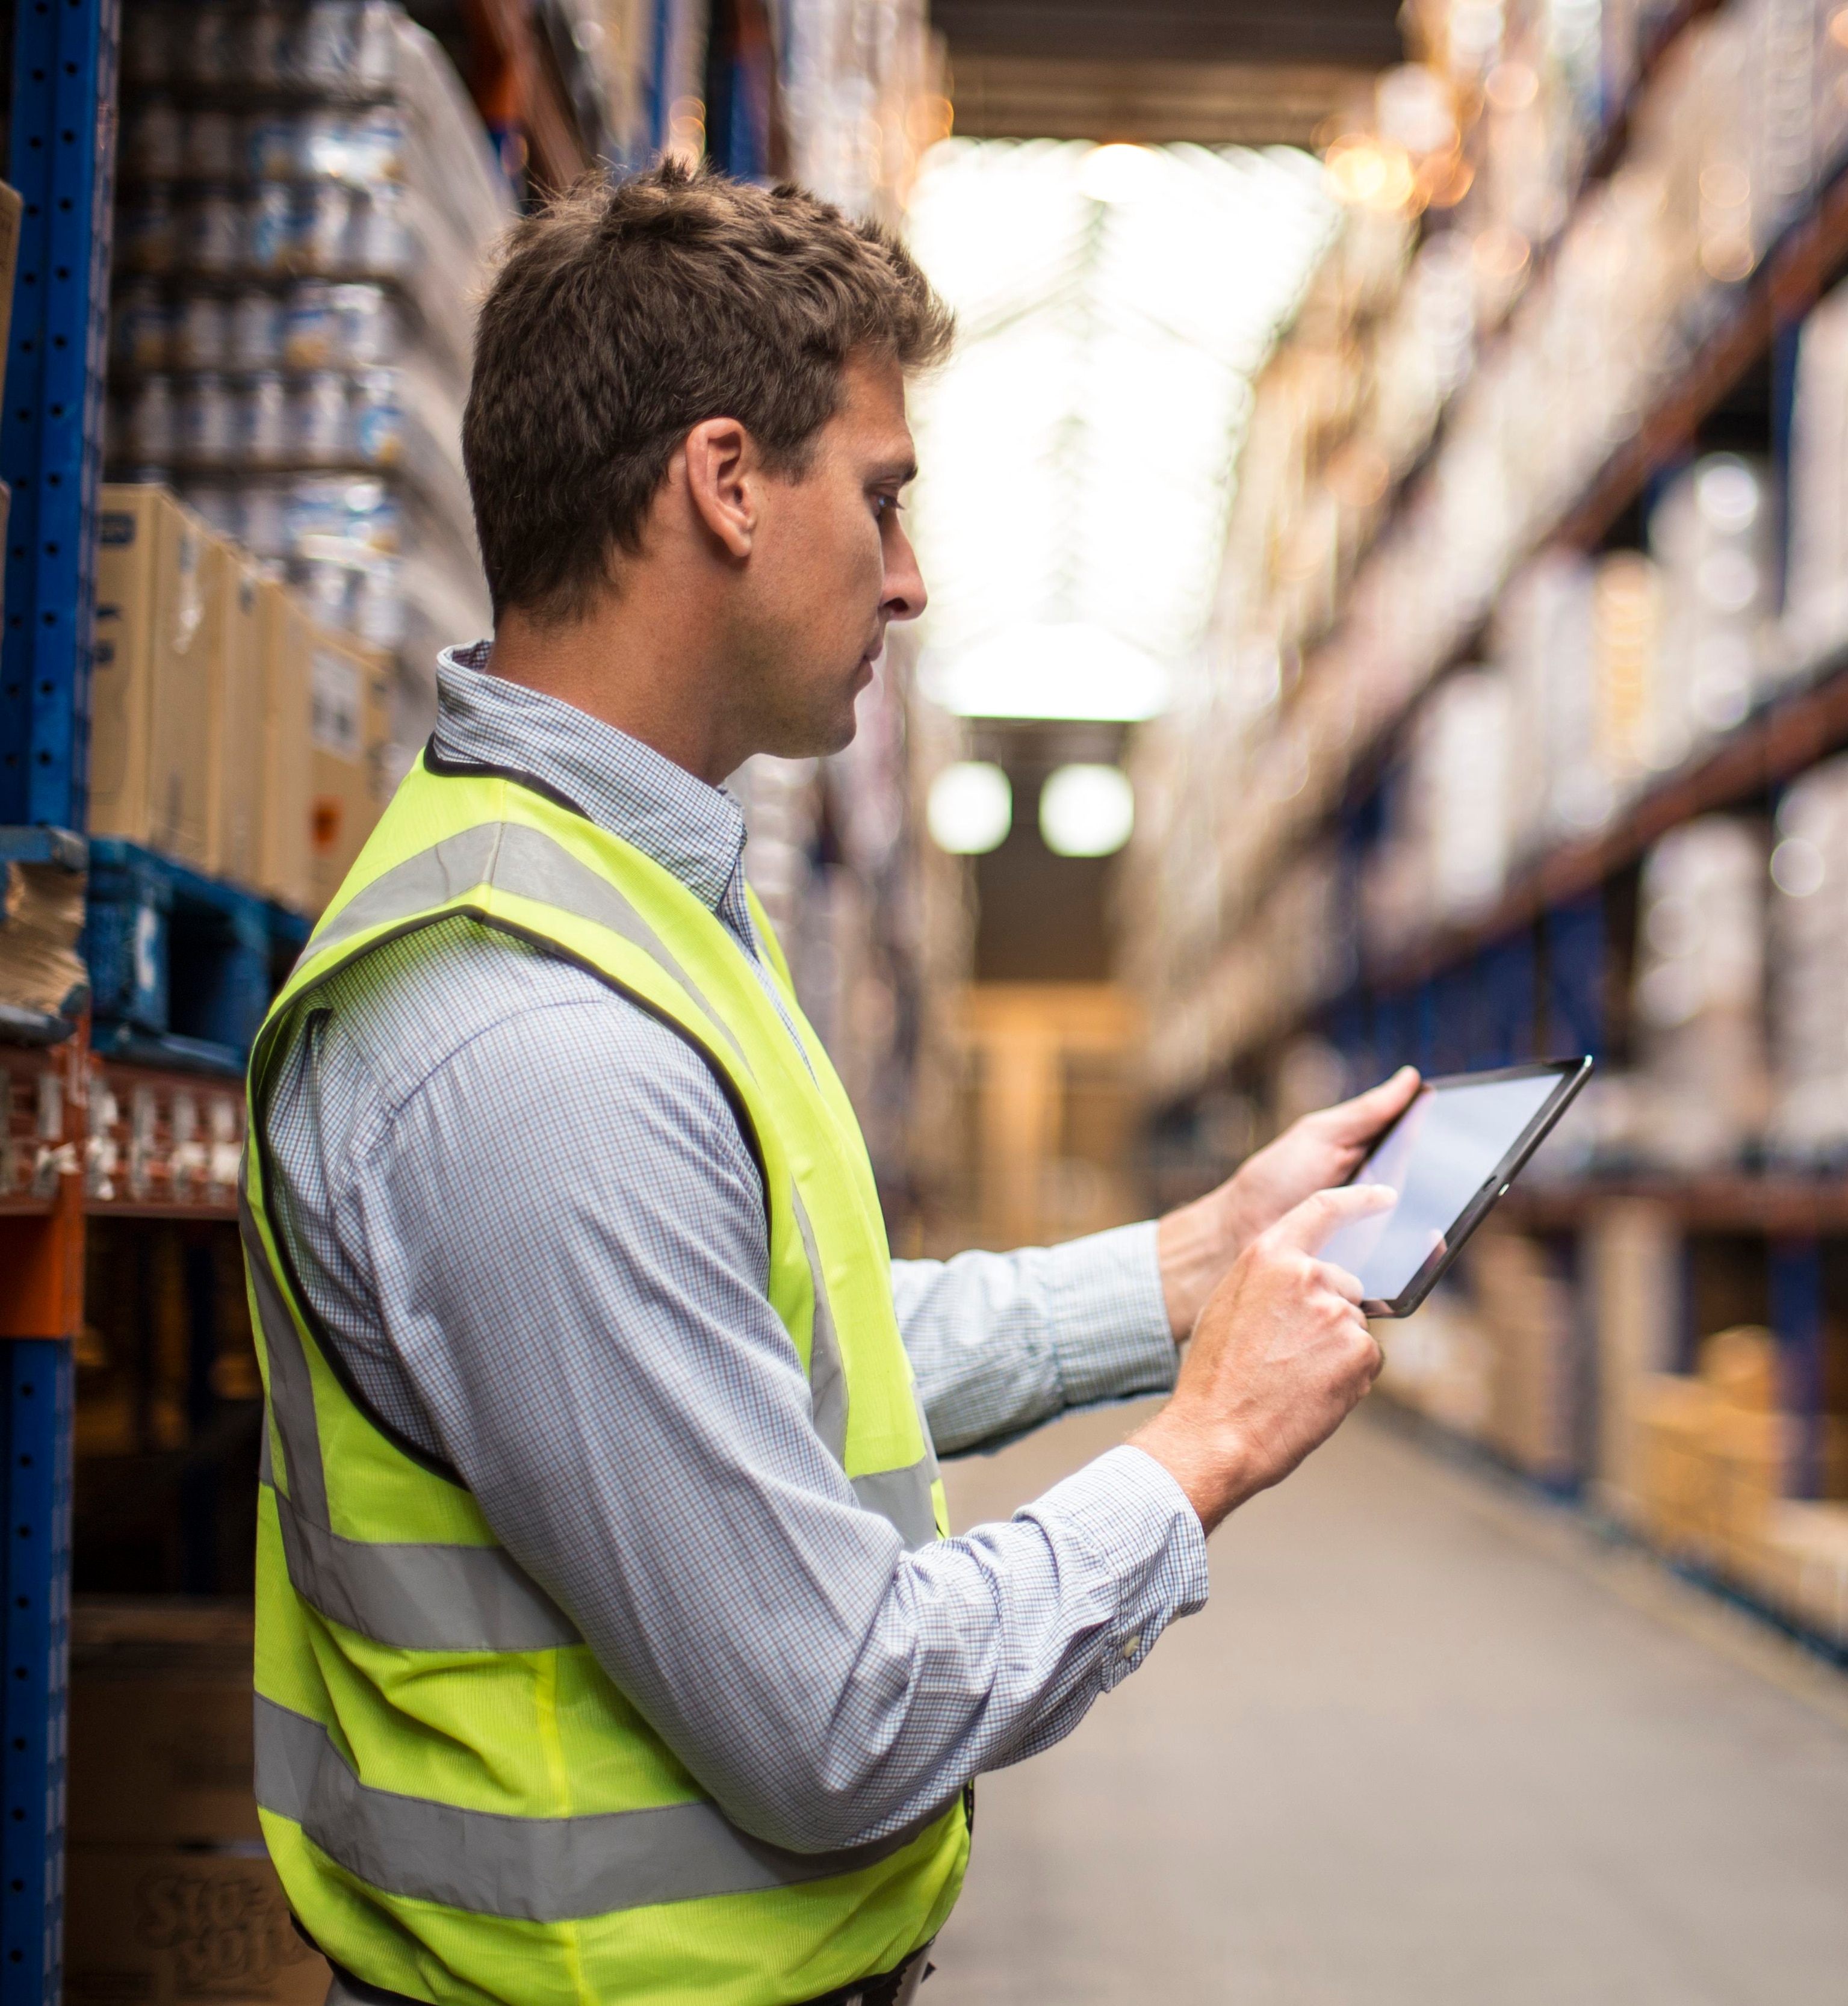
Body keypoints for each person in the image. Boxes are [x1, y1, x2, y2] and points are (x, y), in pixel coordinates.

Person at [240, 161, 1418, 2006]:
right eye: (878, 499)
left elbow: (774, 1358)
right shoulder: (528, 1038)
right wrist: (1203, 1449)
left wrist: (1188, 1268)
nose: (912, 575)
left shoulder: (637, 908)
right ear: (724, 484)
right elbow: (840, 1713)